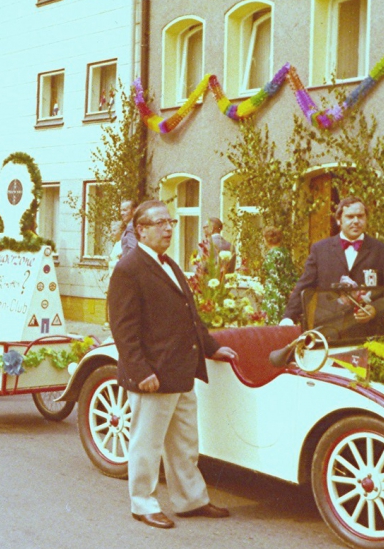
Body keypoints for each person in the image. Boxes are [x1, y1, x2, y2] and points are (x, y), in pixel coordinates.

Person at [108, 200, 238, 529]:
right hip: (152, 374)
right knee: (147, 444)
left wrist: (212, 348)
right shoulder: (128, 268)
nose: (168, 228)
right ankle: (142, 504)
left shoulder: (170, 265)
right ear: (141, 230)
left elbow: (189, 316)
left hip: (181, 370)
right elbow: (123, 329)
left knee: (185, 442)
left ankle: (191, 500)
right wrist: (141, 372)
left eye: (171, 222)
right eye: (160, 223)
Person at [280, 196, 384, 340]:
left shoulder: (382, 252)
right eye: (350, 216)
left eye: (360, 216)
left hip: (368, 334)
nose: (356, 221)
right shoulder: (320, 250)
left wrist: (375, 309)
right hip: (328, 332)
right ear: (339, 220)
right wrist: (288, 317)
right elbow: (305, 286)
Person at [260, 226, 298, 325]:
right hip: (287, 295)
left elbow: (275, 277)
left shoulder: (271, 255)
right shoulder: (285, 253)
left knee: (273, 325)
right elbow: (293, 273)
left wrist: (284, 290)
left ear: (267, 239)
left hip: (274, 295)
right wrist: (291, 291)